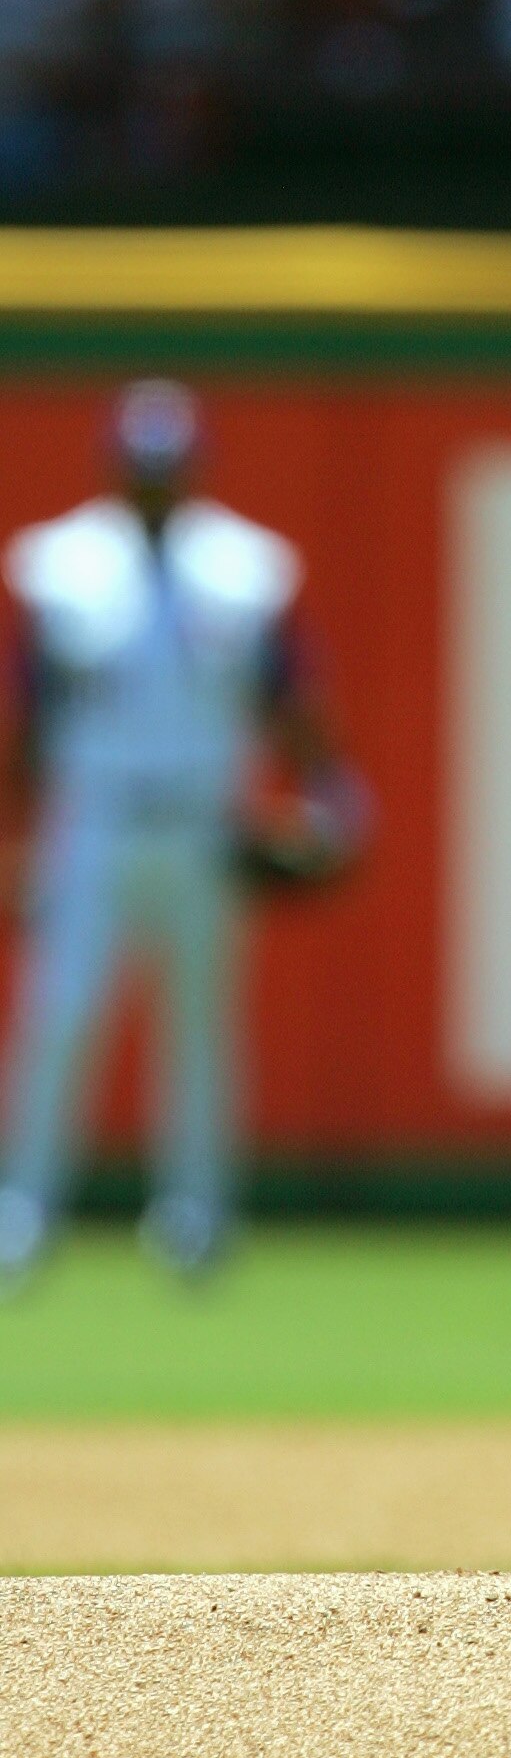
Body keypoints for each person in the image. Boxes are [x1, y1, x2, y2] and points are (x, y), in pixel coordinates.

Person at [0, 381, 332, 1285]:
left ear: (192, 469)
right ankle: (20, 1215)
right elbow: (28, 715)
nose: (153, 482)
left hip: (202, 822)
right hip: (94, 821)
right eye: (141, 467)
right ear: (114, 467)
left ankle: (196, 1218)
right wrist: (16, 840)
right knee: (61, 1016)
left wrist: (327, 791)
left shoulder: (247, 566)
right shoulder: (56, 564)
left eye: (167, 467)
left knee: (200, 1028)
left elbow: (289, 692)